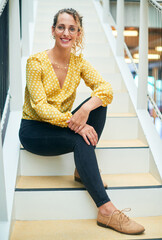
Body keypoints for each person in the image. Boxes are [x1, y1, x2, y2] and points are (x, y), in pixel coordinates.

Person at [19, 8, 145, 235]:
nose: (66, 33)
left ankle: (81, 170)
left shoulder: (78, 63)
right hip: (34, 130)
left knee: (99, 103)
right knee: (81, 140)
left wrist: (86, 108)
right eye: (61, 27)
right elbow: (39, 107)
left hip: (63, 124)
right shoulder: (35, 62)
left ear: (78, 33)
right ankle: (106, 210)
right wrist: (76, 123)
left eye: (72, 28)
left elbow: (105, 89)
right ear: (53, 30)